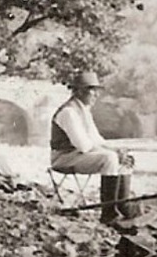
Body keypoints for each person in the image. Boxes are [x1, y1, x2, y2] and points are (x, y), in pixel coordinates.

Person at [51, 71, 139, 223]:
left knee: (123, 157)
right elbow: (83, 145)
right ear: (79, 91)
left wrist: (118, 151)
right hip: (63, 158)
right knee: (110, 158)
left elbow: (97, 139)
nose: (96, 95)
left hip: (77, 155)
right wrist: (113, 154)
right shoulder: (68, 112)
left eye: (96, 91)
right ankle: (109, 213)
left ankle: (124, 206)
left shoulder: (83, 110)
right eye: (92, 90)